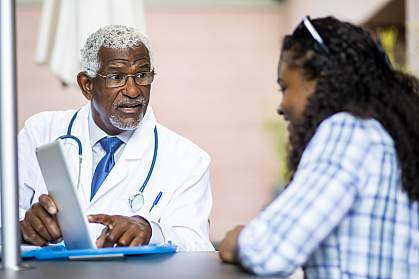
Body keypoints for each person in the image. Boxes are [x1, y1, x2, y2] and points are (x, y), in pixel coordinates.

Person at [219, 16, 419, 278]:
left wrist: (237, 239)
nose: (282, 105)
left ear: (322, 80)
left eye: (285, 87)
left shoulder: (349, 132)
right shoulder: (388, 133)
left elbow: (270, 250)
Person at [17, 25, 214, 251]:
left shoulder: (189, 159)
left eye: (142, 75)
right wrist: (23, 229)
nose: (133, 91)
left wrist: (152, 231)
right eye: (116, 77)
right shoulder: (40, 132)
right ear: (87, 85)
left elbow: (199, 248)